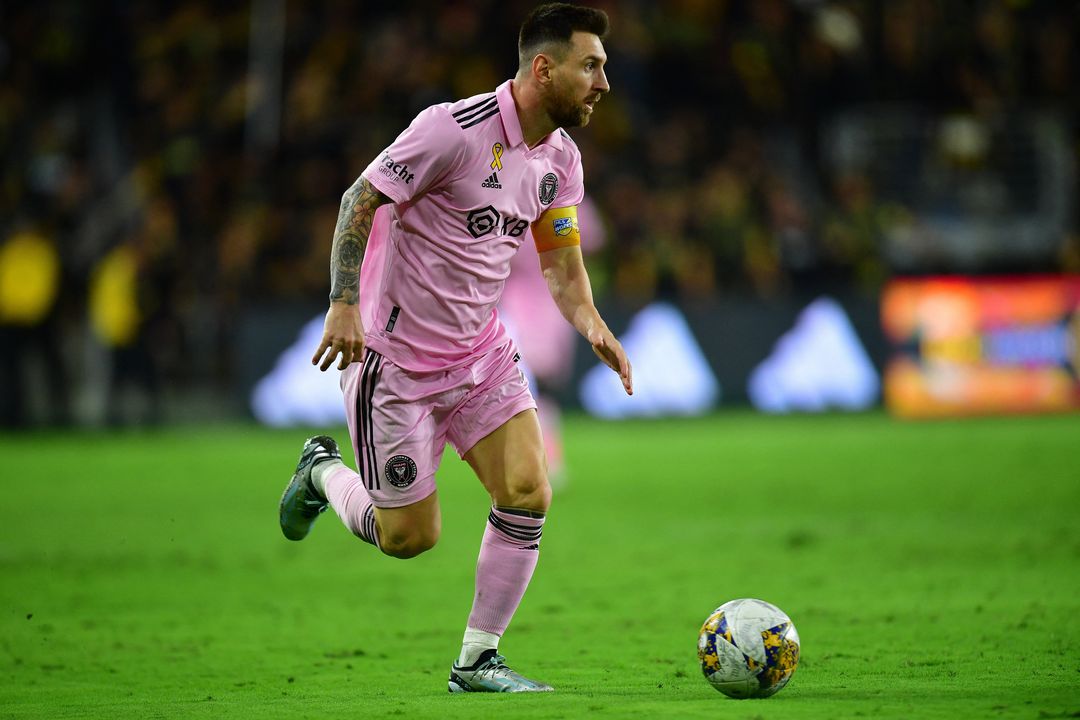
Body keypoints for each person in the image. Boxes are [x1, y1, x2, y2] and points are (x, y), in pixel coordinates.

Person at [279, 3, 632, 694]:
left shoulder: (560, 160)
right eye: (591, 66)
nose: (603, 83)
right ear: (544, 68)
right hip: (396, 363)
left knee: (529, 489)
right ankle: (322, 471)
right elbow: (359, 200)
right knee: (409, 537)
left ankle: (477, 659)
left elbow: (561, 264)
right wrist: (344, 303)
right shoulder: (452, 130)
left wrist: (592, 324)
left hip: (481, 356)